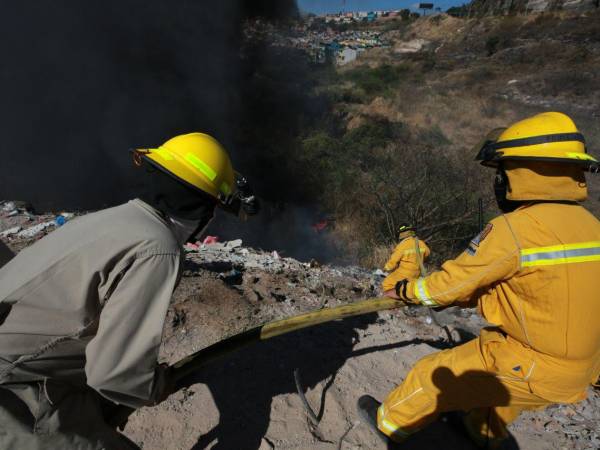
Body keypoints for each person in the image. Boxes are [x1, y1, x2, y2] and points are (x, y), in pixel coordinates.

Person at [0, 132, 258, 449]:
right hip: (15, 394)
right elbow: (113, 374)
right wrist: (157, 384)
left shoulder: (106, 220)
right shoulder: (158, 248)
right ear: (202, 208)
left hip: (31, 374)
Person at [358, 112, 600, 448]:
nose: (499, 181)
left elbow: (449, 286)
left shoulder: (515, 230)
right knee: (500, 392)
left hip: (535, 363)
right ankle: (481, 431)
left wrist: (405, 290)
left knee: (430, 375)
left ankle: (389, 424)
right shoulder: (591, 226)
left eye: (503, 172)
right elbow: (544, 290)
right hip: (583, 369)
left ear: (519, 174)